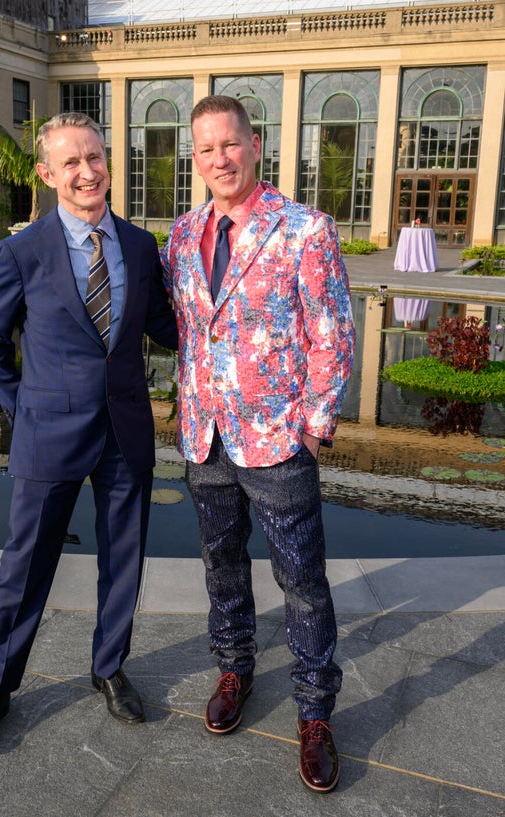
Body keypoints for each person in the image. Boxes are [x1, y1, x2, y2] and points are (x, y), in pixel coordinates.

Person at [0, 112, 178, 757]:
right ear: (46, 174)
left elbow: (166, 326)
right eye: (72, 162)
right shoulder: (23, 251)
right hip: (46, 434)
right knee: (23, 568)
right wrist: (22, 406)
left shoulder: (139, 245)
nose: (88, 171)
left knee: (124, 560)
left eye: (96, 157)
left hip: (126, 430)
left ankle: (109, 668)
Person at [162, 95, 355, 793]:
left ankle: (314, 711)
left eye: (230, 144)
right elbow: (183, 328)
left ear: (255, 145)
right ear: (196, 158)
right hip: (204, 435)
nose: (219, 158)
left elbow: (333, 332)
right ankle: (235, 667)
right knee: (221, 563)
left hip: (278, 438)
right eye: (206, 149)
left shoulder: (304, 229)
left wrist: (314, 424)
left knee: (301, 580)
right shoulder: (181, 236)